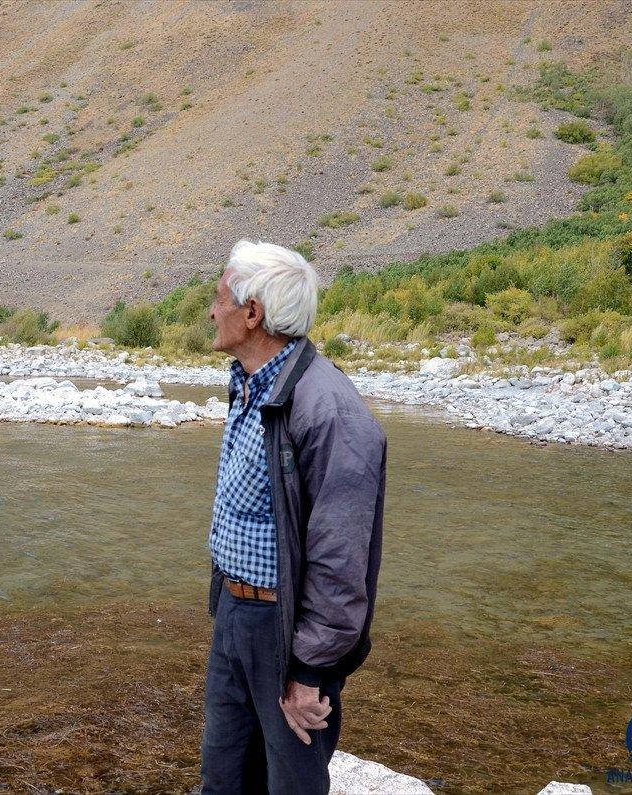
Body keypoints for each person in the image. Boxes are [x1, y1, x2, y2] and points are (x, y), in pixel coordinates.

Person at [200, 239, 388, 794]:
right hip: (236, 616)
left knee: (291, 786)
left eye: (220, 299)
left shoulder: (328, 409)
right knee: (225, 778)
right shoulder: (251, 385)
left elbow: (340, 557)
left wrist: (308, 670)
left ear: (252, 314)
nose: (213, 311)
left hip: (288, 633)